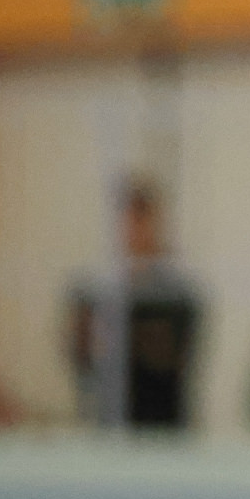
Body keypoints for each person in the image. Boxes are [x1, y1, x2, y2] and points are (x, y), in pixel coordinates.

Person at [65, 176, 204, 430]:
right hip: (106, 424)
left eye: (140, 219)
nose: (132, 231)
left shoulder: (178, 295)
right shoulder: (92, 293)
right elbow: (82, 357)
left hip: (165, 428)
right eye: (125, 220)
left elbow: (169, 359)